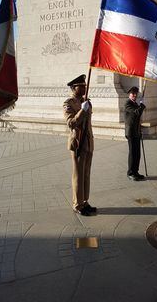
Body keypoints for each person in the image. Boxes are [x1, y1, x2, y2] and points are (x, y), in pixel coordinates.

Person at [63, 74, 96, 216]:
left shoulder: (86, 101)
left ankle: (85, 201)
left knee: (86, 174)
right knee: (78, 175)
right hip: (78, 143)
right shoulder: (68, 103)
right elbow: (71, 123)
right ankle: (77, 204)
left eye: (84, 86)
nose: (84, 88)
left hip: (88, 142)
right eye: (81, 86)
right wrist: (82, 110)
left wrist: (86, 106)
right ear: (74, 88)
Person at [124, 86, 146, 181]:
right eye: (133, 94)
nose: (134, 95)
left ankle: (136, 171)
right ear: (129, 94)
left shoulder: (135, 103)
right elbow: (136, 113)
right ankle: (130, 173)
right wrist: (142, 105)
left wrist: (140, 105)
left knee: (137, 153)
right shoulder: (127, 103)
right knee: (132, 153)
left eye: (136, 94)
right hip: (131, 132)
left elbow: (138, 117)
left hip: (136, 131)